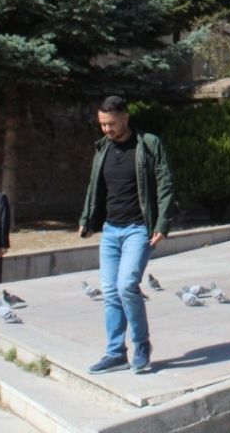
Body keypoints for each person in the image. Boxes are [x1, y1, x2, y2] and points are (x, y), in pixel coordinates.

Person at [78, 96, 175, 375]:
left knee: (126, 286)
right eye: (102, 124)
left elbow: (165, 183)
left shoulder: (148, 144)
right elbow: (94, 187)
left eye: (110, 123)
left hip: (138, 229)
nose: (106, 129)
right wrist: (87, 220)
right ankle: (115, 352)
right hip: (111, 229)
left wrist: (162, 223)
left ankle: (141, 345)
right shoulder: (102, 149)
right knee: (109, 291)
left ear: (125, 117)